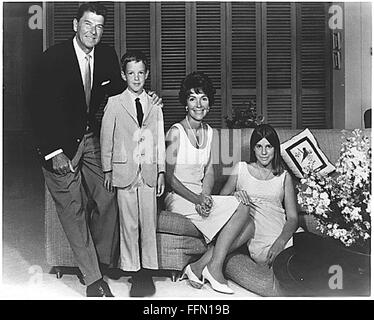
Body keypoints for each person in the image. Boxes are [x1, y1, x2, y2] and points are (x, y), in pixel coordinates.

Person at [30, 3, 162, 297]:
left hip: (89, 138)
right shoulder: (52, 58)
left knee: (109, 195)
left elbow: (119, 91)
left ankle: (99, 261)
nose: (94, 31)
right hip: (57, 145)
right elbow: (35, 108)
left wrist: (145, 97)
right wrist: (53, 152)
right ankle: (93, 279)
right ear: (75, 25)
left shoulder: (105, 55)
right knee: (73, 208)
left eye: (100, 26)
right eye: (88, 24)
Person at [165, 72, 254, 294]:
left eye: (203, 98)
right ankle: (213, 269)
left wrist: (205, 196)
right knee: (242, 214)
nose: (198, 104)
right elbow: (169, 178)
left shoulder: (210, 132)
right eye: (192, 98)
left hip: (200, 195)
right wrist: (196, 199)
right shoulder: (175, 133)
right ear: (185, 103)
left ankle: (201, 266)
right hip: (179, 197)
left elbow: (210, 173)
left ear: (209, 103)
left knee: (249, 224)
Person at [100, 50, 166, 297]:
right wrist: (107, 168)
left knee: (147, 223)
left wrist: (161, 171)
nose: (136, 78)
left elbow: (159, 140)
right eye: (131, 73)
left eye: (140, 73)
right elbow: (106, 138)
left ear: (147, 74)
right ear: (123, 75)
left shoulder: (155, 106)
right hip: (124, 170)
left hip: (148, 171)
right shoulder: (115, 103)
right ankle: (132, 270)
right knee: (129, 224)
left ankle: (147, 273)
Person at [220, 123, 299, 266]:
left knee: (324, 253)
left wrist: (281, 241)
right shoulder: (241, 169)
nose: (263, 152)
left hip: (287, 237)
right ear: (253, 148)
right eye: (259, 146)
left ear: (275, 149)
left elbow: (293, 217)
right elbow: (221, 200)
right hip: (262, 246)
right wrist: (234, 196)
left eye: (268, 146)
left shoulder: (283, 176)